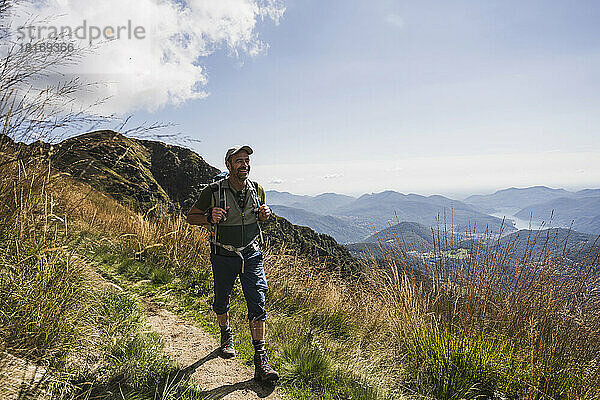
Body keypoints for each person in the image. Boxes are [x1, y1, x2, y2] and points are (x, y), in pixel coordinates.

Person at [186, 145, 279, 382]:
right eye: (239, 161)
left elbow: (258, 219)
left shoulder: (257, 189)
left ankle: (261, 361)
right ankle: (226, 335)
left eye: (246, 160)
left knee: (258, 302)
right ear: (228, 165)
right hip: (223, 255)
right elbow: (191, 216)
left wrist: (263, 216)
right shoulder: (214, 190)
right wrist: (208, 217)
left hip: (251, 255)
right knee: (222, 300)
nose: (244, 164)